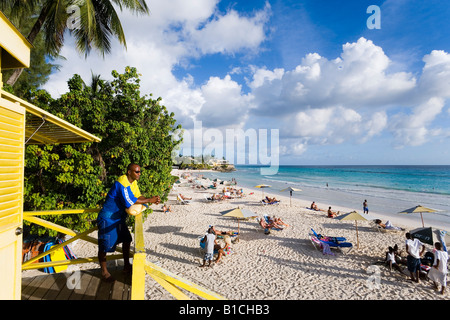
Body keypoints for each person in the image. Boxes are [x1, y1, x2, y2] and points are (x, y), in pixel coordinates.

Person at [97, 163, 160, 282]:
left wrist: (150, 200)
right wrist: (149, 200)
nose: (139, 174)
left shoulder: (133, 182)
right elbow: (129, 201)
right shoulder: (122, 182)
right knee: (104, 247)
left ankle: (126, 265)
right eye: (137, 172)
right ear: (129, 172)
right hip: (108, 218)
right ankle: (104, 272)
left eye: (140, 171)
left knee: (127, 239)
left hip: (119, 218)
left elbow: (138, 196)